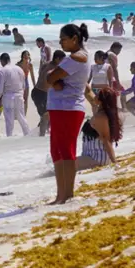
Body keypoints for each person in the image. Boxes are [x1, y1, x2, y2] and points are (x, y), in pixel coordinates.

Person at [46, 23, 91, 205]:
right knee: (57, 150)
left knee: (65, 150)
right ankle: (61, 194)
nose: (60, 43)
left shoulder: (75, 58)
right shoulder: (78, 57)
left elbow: (50, 77)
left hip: (68, 107)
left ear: (74, 38)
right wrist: (54, 79)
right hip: (63, 107)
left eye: (63, 39)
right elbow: (54, 79)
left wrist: (53, 78)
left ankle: (66, 194)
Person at [76, 88, 122, 171]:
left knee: (64, 165)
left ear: (101, 100)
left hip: (97, 157)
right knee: (62, 163)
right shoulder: (102, 113)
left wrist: (114, 162)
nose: (95, 95)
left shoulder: (101, 117)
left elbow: (106, 140)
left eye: (97, 94)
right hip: (91, 155)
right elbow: (88, 91)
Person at [0, 53, 30, 137]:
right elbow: (23, 85)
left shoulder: (2, 71)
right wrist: (23, 96)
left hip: (8, 96)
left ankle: (9, 138)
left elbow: (0, 88)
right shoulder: (19, 69)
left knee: (9, 119)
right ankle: (28, 135)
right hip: (19, 95)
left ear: (2, 61)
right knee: (21, 117)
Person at [32, 50, 66, 136]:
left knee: (47, 116)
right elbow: (46, 81)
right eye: (63, 60)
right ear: (57, 59)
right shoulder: (53, 69)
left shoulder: (46, 64)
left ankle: (40, 134)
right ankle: (41, 136)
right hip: (40, 93)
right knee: (45, 115)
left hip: (41, 93)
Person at [17, 50, 36, 115]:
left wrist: (34, 86)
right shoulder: (18, 65)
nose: (25, 56)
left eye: (27, 55)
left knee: (25, 99)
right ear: (22, 57)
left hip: (26, 82)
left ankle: (24, 114)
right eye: (24, 55)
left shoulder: (30, 65)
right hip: (18, 83)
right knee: (19, 99)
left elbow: (32, 76)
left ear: (29, 56)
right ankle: (19, 113)